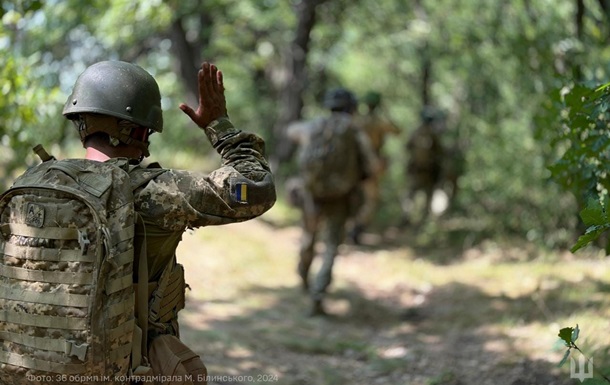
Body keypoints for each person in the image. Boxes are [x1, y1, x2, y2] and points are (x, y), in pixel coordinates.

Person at [63, 61, 276, 380]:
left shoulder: (33, 186)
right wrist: (220, 126)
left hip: (40, 362)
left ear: (81, 123)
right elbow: (256, 188)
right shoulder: (155, 191)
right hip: (127, 366)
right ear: (138, 129)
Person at [286, 87, 378, 316]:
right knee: (331, 247)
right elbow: (373, 166)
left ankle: (303, 277)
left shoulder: (313, 126)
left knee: (309, 237)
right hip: (340, 196)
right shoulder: (354, 130)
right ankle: (318, 295)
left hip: (312, 193)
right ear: (352, 107)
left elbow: (291, 131)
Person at [349, 91, 400, 244]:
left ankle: (350, 228)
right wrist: (386, 112)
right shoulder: (379, 121)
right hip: (371, 166)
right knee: (371, 200)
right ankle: (355, 229)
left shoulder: (357, 120)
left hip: (354, 166)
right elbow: (398, 131)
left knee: (353, 199)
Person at [403, 105, 444, 226]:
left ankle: (407, 217)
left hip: (417, 169)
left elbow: (407, 147)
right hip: (427, 171)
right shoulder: (433, 134)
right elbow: (440, 151)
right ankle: (423, 221)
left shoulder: (415, 132)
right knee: (427, 195)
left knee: (410, 194)